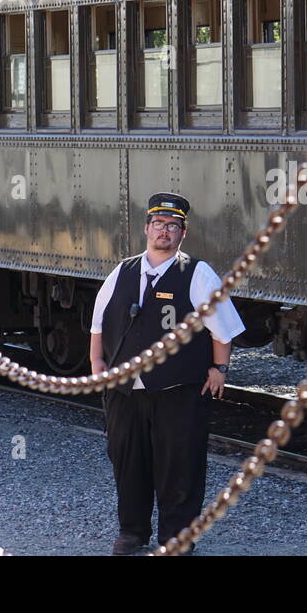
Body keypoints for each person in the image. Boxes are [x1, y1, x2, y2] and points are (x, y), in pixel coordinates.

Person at [89, 192, 244, 555]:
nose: (164, 231)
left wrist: (219, 368)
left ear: (182, 234)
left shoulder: (197, 273)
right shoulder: (123, 271)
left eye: (173, 226)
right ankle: (132, 532)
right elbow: (99, 323)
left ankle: (177, 536)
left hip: (178, 389)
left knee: (180, 464)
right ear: (147, 229)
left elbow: (222, 329)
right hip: (126, 390)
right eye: (158, 224)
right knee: (128, 461)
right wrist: (97, 365)